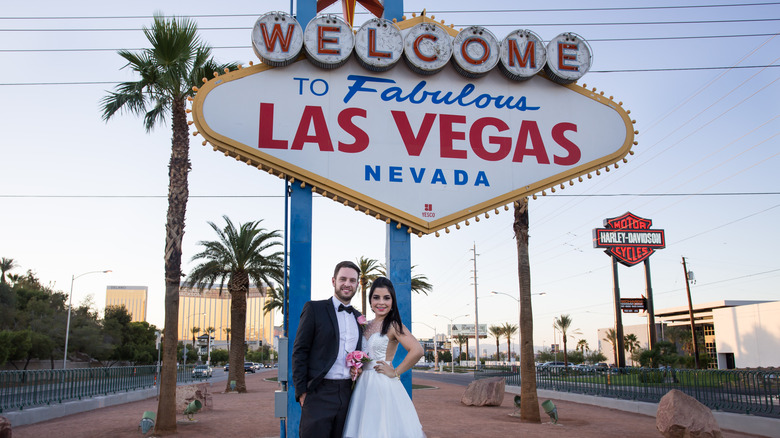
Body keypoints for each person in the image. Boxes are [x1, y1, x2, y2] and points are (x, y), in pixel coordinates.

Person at [342, 276, 425, 438]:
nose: (381, 302)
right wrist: (356, 369)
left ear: (392, 301)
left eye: (386, 298)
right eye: (376, 297)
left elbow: (417, 350)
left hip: (382, 385)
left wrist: (395, 372)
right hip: (362, 386)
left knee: (382, 430)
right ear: (370, 300)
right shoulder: (365, 325)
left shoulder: (394, 325)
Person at [292, 261, 365, 438]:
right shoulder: (314, 309)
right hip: (318, 392)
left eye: (352, 280)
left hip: (348, 394)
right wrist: (301, 391)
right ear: (333, 281)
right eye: (343, 279)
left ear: (357, 285)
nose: (347, 284)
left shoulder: (360, 318)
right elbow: (300, 350)